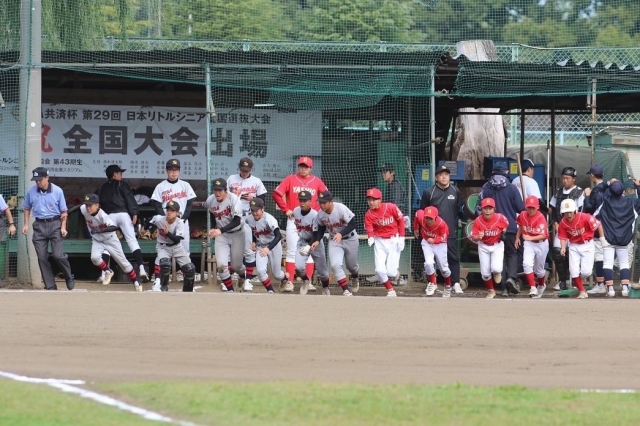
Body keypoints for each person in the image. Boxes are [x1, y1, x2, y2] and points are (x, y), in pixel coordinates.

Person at [273, 156, 327, 292]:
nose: (303, 168)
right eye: (301, 166)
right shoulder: (290, 179)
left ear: (311, 168)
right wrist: (286, 209)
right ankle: (289, 282)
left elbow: (326, 197)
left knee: (310, 250)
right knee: (292, 250)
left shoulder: (317, 181)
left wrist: (320, 213)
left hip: (312, 221)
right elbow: (276, 194)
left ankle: (308, 281)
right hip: (295, 219)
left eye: (306, 166)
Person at [22, 167, 75, 290]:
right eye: (36, 180)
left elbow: (64, 211)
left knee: (57, 255)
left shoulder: (57, 191)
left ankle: (69, 276)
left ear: (47, 178)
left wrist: (63, 227)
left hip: (55, 224)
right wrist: (26, 224)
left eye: (40, 180)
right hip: (39, 225)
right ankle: (50, 285)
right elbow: (27, 208)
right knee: (41, 257)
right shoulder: (31, 191)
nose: (38, 182)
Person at [476, 166, 525, 296]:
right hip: (510, 228)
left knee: (499, 258)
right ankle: (511, 278)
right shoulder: (512, 188)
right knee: (512, 254)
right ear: (506, 173)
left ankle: (504, 288)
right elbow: (520, 208)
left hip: (491, 230)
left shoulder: (486, 188)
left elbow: (478, 209)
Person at [97, 164, 148, 283]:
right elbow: (130, 198)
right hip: (123, 214)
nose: (121, 176)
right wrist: (134, 212)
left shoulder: (102, 188)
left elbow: (99, 204)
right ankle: (142, 269)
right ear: (115, 174)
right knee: (132, 241)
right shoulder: (122, 184)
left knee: (107, 244)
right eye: (120, 173)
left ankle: (103, 274)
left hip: (109, 216)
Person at [80, 194, 141, 291]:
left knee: (123, 264)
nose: (88, 207)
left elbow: (113, 227)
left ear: (97, 205)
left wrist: (100, 230)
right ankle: (108, 271)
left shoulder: (102, 215)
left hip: (110, 240)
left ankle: (136, 281)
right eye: (87, 205)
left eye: (90, 205)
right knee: (94, 258)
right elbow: (79, 208)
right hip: (97, 240)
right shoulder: (83, 209)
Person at [419, 164, 463, 294]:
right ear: (436, 177)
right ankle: (432, 283)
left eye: (446, 174)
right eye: (441, 175)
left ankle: (455, 283)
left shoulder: (455, 191)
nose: (444, 177)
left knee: (452, 257)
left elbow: (459, 209)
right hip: (432, 233)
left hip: (449, 231)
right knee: (430, 260)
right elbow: (422, 212)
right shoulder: (429, 192)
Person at [592, 179, 640, 297]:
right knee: (624, 263)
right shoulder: (631, 203)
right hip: (624, 239)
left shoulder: (604, 200)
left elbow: (595, 191)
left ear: (610, 191)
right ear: (623, 191)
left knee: (607, 263)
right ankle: (625, 288)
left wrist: (607, 183)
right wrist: (638, 186)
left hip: (608, 238)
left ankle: (610, 289)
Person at [228, 157, 267, 292]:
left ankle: (248, 280)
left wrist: (253, 198)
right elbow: (224, 196)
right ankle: (229, 279)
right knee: (230, 250)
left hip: (249, 217)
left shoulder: (256, 181)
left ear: (251, 169)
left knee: (249, 250)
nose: (244, 172)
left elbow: (263, 200)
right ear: (238, 167)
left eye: (247, 170)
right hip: (234, 217)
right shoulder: (231, 179)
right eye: (243, 170)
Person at [204, 178, 247, 293]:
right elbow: (212, 213)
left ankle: (242, 276)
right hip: (222, 236)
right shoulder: (211, 200)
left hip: (237, 233)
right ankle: (231, 291)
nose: (217, 193)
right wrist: (213, 227)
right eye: (215, 190)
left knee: (236, 266)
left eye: (220, 190)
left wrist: (220, 230)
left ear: (225, 190)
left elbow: (237, 221)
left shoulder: (234, 199)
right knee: (221, 266)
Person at [557, 199, 604, 300]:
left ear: (575, 210)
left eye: (570, 211)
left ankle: (579, 280)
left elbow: (598, 224)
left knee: (586, 272)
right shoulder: (563, 223)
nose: (568, 214)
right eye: (566, 212)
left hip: (587, 244)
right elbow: (563, 237)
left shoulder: (584, 217)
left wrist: (602, 238)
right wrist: (563, 248)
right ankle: (582, 291)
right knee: (573, 270)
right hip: (574, 245)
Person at [315, 190, 359, 296]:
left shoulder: (340, 208)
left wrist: (341, 233)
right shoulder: (320, 214)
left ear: (331, 201)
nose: (321, 205)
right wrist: (317, 240)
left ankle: (355, 276)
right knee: (335, 265)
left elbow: (353, 224)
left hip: (350, 238)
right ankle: (346, 289)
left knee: (352, 266)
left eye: (324, 202)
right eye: (320, 202)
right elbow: (321, 228)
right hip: (334, 240)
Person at [364, 188, 405, 298]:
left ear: (380, 200)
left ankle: (396, 275)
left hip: (393, 240)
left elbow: (401, 221)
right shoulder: (368, 214)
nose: (371, 202)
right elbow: (369, 227)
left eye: (373, 200)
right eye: (369, 200)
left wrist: (402, 238)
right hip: (380, 241)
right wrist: (370, 237)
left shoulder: (391, 207)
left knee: (391, 272)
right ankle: (390, 290)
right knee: (379, 270)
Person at [549, 166, 585, 291]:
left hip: (574, 228)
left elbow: (581, 211)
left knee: (572, 254)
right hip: (561, 228)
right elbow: (553, 209)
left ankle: (574, 280)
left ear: (574, 179)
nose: (565, 181)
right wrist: (555, 222)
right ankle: (562, 280)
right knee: (557, 253)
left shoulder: (578, 192)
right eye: (563, 178)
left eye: (567, 178)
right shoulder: (558, 192)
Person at [148, 200, 197, 292]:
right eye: (168, 210)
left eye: (172, 210)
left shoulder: (179, 222)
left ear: (177, 212)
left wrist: (167, 233)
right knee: (165, 264)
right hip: (163, 247)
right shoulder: (159, 219)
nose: (169, 212)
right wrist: (148, 228)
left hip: (177, 247)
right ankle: (163, 287)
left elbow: (177, 239)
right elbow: (150, 220)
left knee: (190, 269)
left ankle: (188, 290)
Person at [151, 159, 197, 255]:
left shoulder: (185, 185)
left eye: (176, 170)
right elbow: (157, 205)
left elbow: (189, 204)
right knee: (165, 249)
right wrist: (164, 220)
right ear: (167, 171)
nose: (174, 172)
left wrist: (183, 219)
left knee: (184, 250)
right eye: (171, 170)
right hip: (167, 223)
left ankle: (184, 265)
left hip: (182, 221)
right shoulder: (161, 186)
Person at [245, 198, 291, 293]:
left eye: (256, 210)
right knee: (260, 271)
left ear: (262, 209)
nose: (254, 213)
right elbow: (254, 230)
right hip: (261, 246)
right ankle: (270, 291)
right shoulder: (249, 219)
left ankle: (285, 278)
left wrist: (268, 248)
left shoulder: (269, 219)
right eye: (252, 210)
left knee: (277, 274)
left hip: (273, 246)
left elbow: (278, 236)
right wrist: (254, 241)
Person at [469, 198, 509, 299]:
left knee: (496, 268)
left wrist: (504, 232)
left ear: (494, 209)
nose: (488, 211)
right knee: (485, 273)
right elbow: (473, 237)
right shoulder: (478, 221)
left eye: (490, 208)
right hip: (484, 245)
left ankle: (497, 272)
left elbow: (506, 224)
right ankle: (491, 291)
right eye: (485, 208)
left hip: (497, 245)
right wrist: (478, 237)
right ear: (481, 209)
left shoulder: (500, 217)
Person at [292, 190, 330, 295]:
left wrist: (309, 246)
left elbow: (316, 234)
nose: (302, 203)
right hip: (303, 241)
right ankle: (305, 281)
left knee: (322, 272)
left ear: (310, 202)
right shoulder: (296, 211)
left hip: (316, 242)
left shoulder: (315, 215)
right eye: (300, 200)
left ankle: (325, 288)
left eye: (305, 201)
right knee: (299, 267)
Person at [514, 196, 549, 298]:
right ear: (526, 207)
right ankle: (533, 287)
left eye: (533, 207)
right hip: (529, 243)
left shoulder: (540, 217)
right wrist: (517, 237)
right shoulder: (522, 215)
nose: (531, 209)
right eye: (529, 207)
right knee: (527, 264)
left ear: (537, 207)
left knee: (539, 270)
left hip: (541, 243)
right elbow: (521, 225)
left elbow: (543, 235)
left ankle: (541, 285)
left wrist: (529, 237)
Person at [414, 206, 452, 298]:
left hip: (440, 244)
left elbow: (444, 237)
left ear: (436, 217)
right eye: (427, 218)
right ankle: (432, 283)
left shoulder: (442, 224)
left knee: (444, 269)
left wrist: (435, 240)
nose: (428, 221)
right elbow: (417, 214)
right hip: (427, 242)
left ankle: (448, 286)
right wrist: (415, 228)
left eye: (431, 218)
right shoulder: (421, 218)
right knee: (428, 263)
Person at [583, 164, 606, 294]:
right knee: (609, 256)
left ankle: (601, 284)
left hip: (597, 227)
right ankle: (609, 284)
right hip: (610, 227)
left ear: (592, 176)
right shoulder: (609, 189)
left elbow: (588, 209)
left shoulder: (595, 191)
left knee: (599, 257)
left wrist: (587, 195)